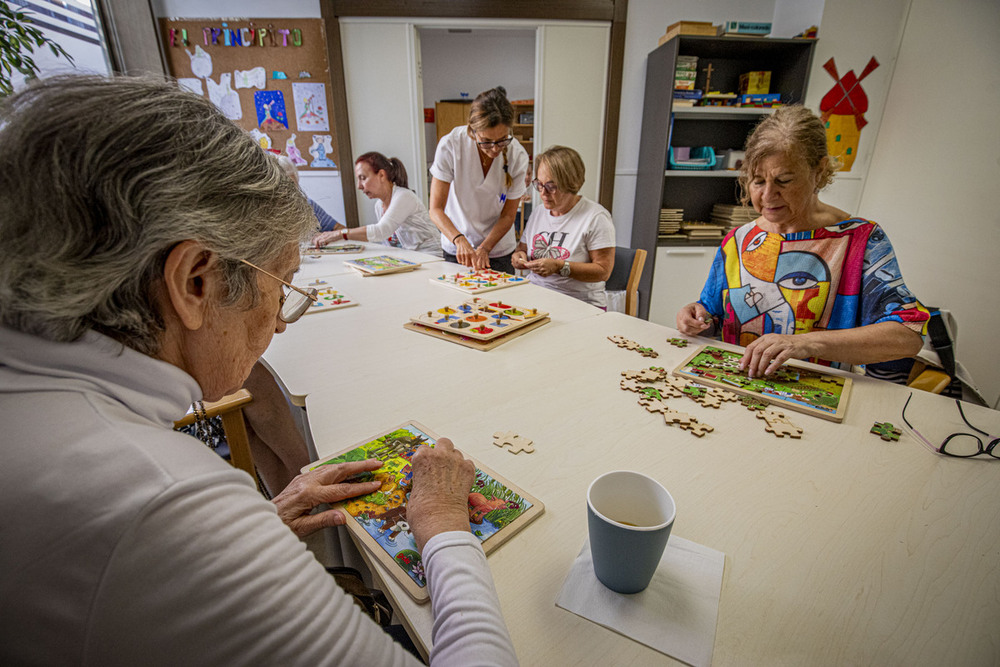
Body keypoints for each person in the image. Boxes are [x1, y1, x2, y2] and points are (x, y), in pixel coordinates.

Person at [0, 75, 517, 666]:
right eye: (280, 286)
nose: (280, 323)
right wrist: (444, 524)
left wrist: (263, 523)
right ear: (194, 281)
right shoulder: (163, 505)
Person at [676, 105, 928, 379]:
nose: (768, 195)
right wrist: (697, 316)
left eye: (783, 180)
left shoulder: (860, 240)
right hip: (734, 384)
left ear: (819, 170)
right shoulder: (738, 240)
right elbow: (713, 315)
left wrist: (806, 343)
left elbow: (908, 335)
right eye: (757, 181)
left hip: (817, 393)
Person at [429, 86, 529, 273]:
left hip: (498, 250)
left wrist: (485, 248)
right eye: (486, 141)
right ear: (472, 131)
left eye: (502, 140)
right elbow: (435, 209)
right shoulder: (451, 145)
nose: (495, 149)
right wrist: (459, 239)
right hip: (457, 247)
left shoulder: (517, 155)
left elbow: (508, 215)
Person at [511, 145, 615, 308]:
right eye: (539, 184)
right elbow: (521, 249)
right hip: (536, 296)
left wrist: (560, 267)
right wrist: (519, 257)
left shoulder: (596, 217)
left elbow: (603, 271)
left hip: (579, 303)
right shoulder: (538, 212)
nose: (543, 193)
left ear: (571, 183)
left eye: (551, 186)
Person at [312, 152, 441, 256]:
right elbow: (383, 240)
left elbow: (381, 231)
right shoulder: (379, 206)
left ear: (381, 175)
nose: (359, 186)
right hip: (411, 260)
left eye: (363, 178)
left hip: (431, 259)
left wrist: (339, 234)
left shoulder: (404, 196)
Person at [277, 155, 345, 233]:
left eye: (292, 185)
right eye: (282, 186)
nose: (289, 191)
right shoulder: (268, 216)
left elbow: (339, 228)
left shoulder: (308, 204)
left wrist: (327, 236)